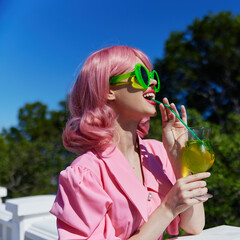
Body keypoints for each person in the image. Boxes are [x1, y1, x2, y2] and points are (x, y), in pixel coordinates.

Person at [50, 46, 211, 240]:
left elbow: (194, 225)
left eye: (153, 76)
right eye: (142, 75)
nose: (152, 81)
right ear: (108, 91)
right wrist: (168, 208)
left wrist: (178, 157)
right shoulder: (86, 173)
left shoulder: (157, 152)